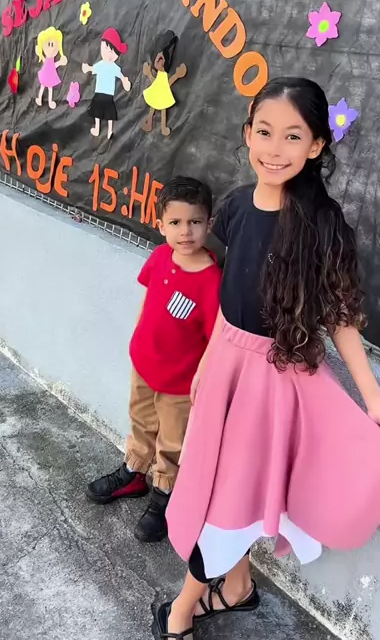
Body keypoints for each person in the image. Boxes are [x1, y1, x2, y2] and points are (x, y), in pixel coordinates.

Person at [158, 77, 380, 640]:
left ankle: (182, 609)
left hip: (275, 380)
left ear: (316, 145)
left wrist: (375, 402)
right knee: (221, 486)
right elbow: (232, 296)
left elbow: (341, 319)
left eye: (293, 136)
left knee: (224, 504)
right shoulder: (234, 207)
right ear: (247, 133)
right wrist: (207, 363)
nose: (275, 149)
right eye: (264, 132)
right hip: (226, 370)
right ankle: (238, 588)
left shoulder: (322, 223)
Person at [86, 176, 222, 543]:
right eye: (175, 222)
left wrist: (203, 379)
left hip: (179, 383)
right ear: (160, 225)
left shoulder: (212, 281)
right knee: (141, 421)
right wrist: (138, 340)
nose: (185, 231)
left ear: (209, 224)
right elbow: (149, 302)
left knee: (173, 440)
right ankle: (134, 472)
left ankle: (164, 493)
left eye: (195, 222)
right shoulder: (160, 256)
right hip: (145, 366)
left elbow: (216, 339)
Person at [82, 27, 131, 139]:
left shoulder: (114, 67)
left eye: (111, 51)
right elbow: (93, 69)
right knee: (100, 112)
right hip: (101, 92)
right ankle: (98, 128)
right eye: (106, 48)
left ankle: (109, 131)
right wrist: (87, 68)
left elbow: (121, 76)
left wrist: (125, 82)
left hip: (106, 94)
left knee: (106, 113)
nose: (108, 53)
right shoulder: (101, 64)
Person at [35, 26, 68, 110]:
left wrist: (60, 62)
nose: (50, 47)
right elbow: (51, 64)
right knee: (44, 87)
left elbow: (53, 65)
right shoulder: (47, 60)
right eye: (48, 44)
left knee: (49, 88)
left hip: (49, 75)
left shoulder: (50, 60)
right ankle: (40, 98)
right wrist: (39, 53)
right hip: (47, 74)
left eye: (53, 44)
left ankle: (49, 101)